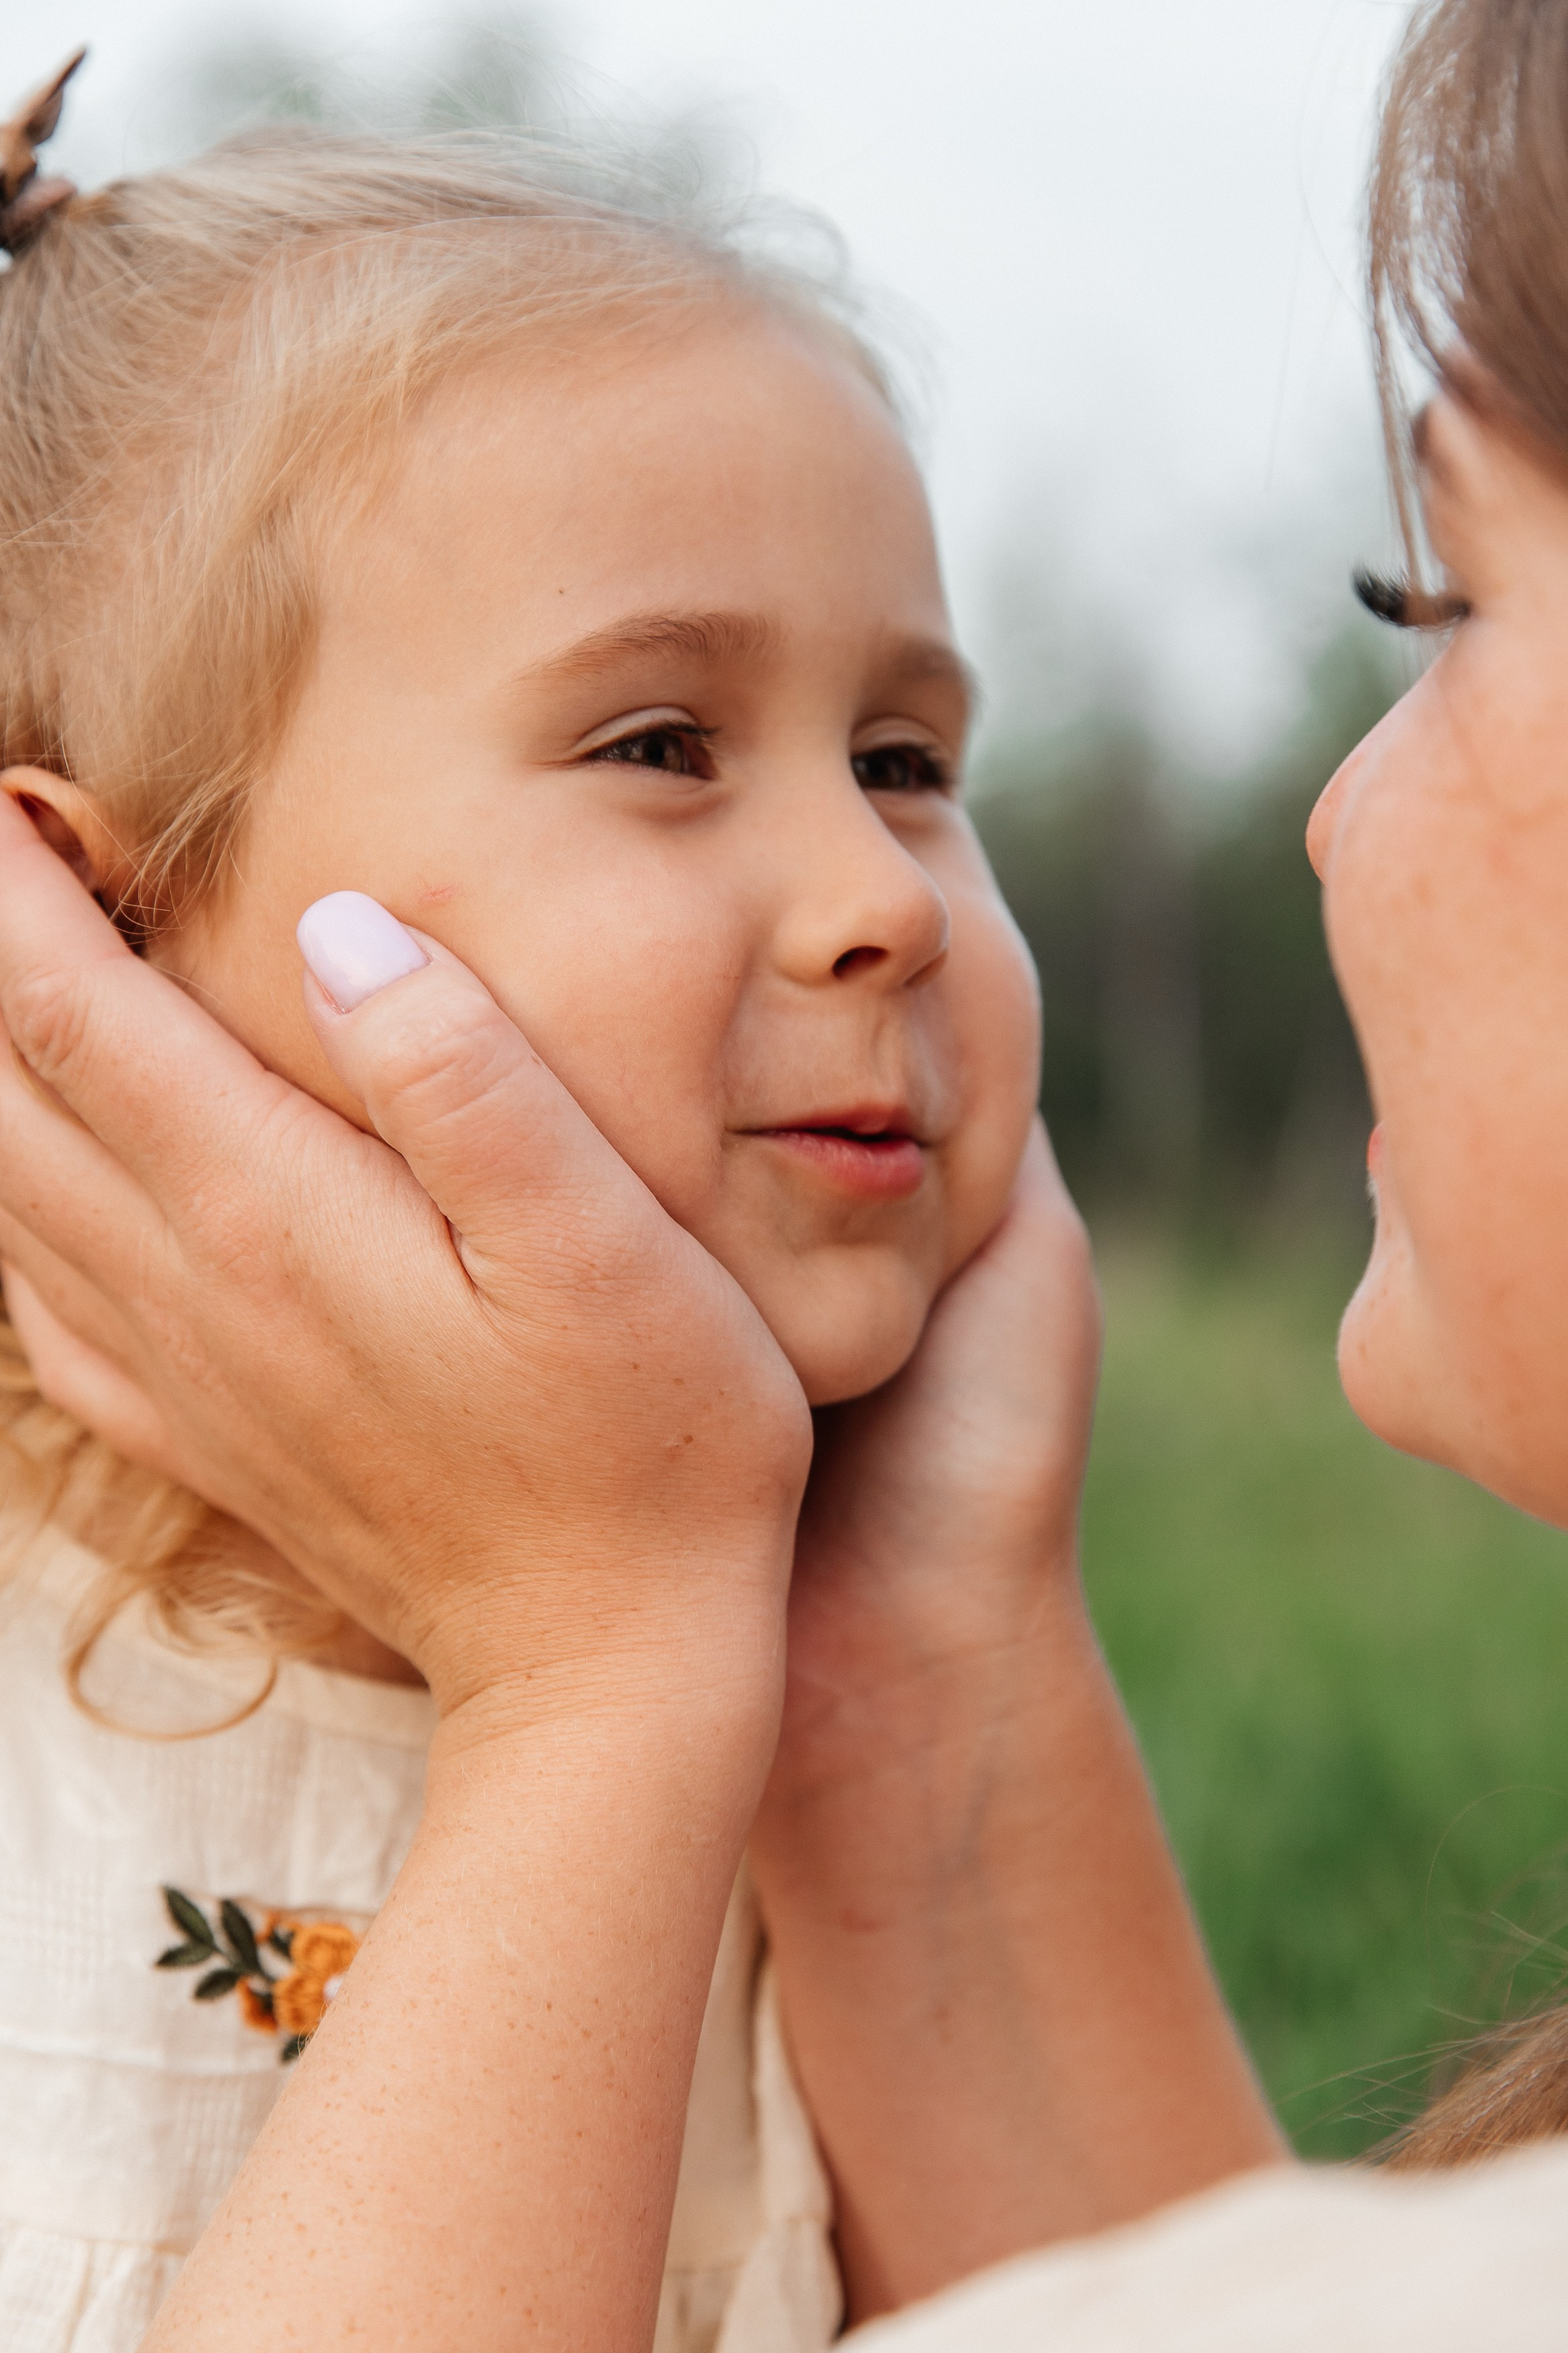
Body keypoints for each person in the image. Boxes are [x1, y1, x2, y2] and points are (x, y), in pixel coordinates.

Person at [11, 0, 1568, 2342]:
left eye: (911, 753)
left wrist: (863, 1647)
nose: (891, 895)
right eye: (660, 741)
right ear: (94, 938)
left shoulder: (809, 1717)